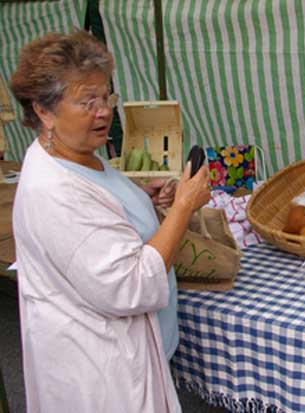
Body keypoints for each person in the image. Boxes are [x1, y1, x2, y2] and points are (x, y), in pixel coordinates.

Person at [10, 31, 211, 412]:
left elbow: (105, 214)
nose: (103, 111)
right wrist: (183, 209)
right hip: (101, 367)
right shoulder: (53, 191)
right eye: (87, 102)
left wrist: (143, 204)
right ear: (44, 110)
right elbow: (129, 285)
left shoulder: (82, 154)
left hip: (137, 345)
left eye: (106, 97)